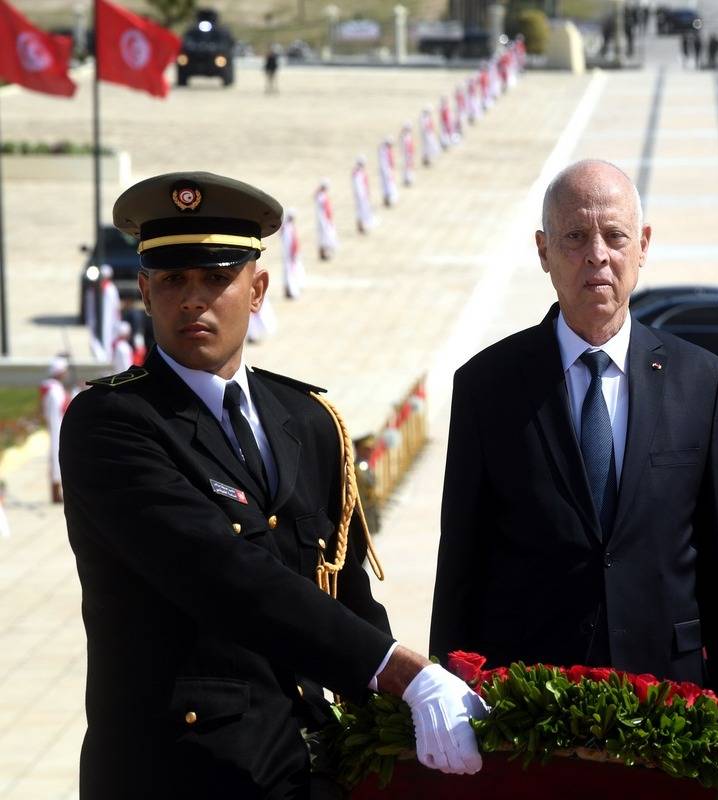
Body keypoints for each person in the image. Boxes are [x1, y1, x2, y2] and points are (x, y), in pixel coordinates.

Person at [63, 172, 484, 798]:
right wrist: (403, 674)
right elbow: (223, 574)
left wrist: (402, 720)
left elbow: (344, 592)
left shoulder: (306, 420)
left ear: (257, 289)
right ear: (145, 293)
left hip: (302, 768)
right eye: (173, 280)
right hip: (176, 773)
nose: (193, 300)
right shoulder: (113, 424)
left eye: (216, 278)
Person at [429, 160, 718, 703]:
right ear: (543, 251)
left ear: (643, 245)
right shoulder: (488, 386)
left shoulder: (701, 381)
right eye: (575, 236)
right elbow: (460, 566)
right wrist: (448, 700)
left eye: (615, 236)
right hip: (531, 702)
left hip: (668, 702)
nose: (596, 255)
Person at [41, 356, 70, 504]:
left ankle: (58, 491)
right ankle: (55, 493)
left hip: (59, 426)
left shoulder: (55, 388)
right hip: (57, 427)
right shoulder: (53, 391)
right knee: (56, 458)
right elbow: (54, 413)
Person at [280, 207, 305, 299]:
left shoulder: (286, 227)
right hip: (290, 256)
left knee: (287, 273)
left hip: (287, 256)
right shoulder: (289, 228)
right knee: (291, 273)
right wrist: (295, 255)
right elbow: (294, 243)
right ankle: (291, 291)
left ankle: (289, 291)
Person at [314, 179, 337, 260]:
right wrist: (329, 219)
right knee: (325, 236)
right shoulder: (323, 196)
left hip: (321, 219)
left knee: (322, 236)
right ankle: (324, 254)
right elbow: (327, 209)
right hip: (324, 219)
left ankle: (323, 253)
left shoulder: (318, 195)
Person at [351, 155, 375, 234]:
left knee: (362, 211)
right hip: (361, 195)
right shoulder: (357, 172)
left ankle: (362, 226)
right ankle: (361, 227)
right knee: (361, 211)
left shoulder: (359, 171)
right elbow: (358, 186)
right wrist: (363, 195)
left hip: (362, 195)